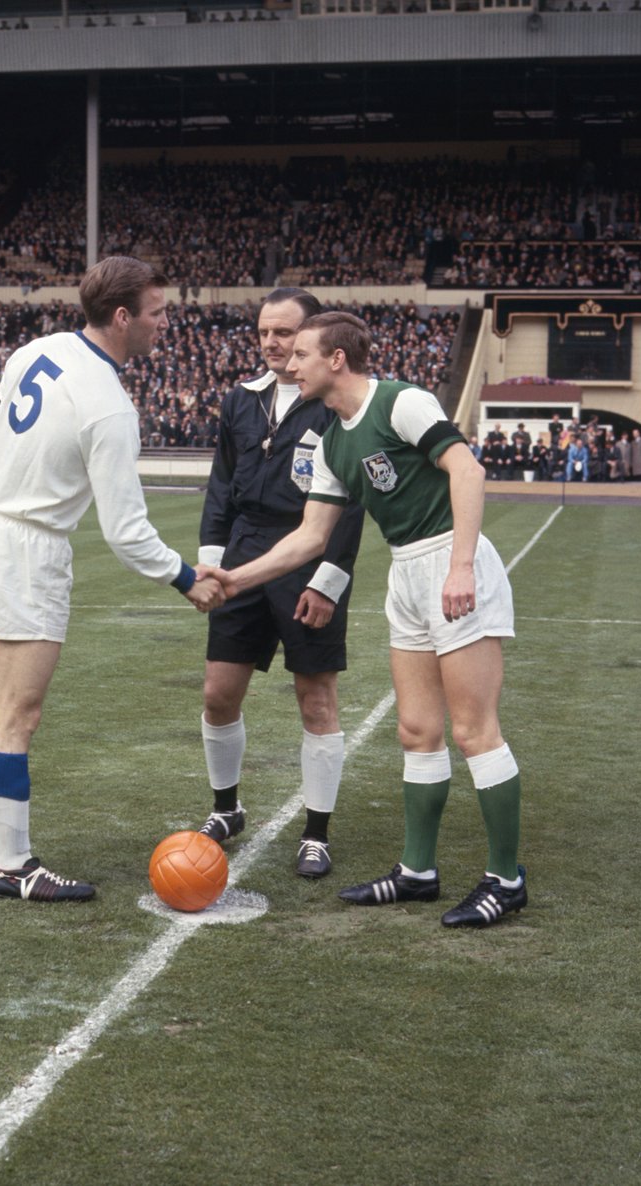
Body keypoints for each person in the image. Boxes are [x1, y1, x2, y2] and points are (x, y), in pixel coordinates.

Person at [207, 312, 528, 928]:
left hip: (449, 560)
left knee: (473, 732)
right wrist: (234, 578)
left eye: (300, 353)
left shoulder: (400, 401)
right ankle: (417, 872)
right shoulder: (331, 440)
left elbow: (468, 469)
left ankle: (507, 879)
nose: (289, 364)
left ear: (336, 360)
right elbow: (310, 537)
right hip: (406, 572)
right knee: (416, 730)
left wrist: (461, 566)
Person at [0, 256, 224, 902]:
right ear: (122, 317)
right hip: (26, 550)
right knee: (19, 710)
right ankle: (11, 867)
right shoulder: (111, 407)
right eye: (157, 312)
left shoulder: (37, 350)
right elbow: (125, 532)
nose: (165, 323)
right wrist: (185, 577)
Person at [196, 288, 364, 879]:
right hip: (243, 553)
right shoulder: (239, 401)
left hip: (306, 556)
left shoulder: (335, 405)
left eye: (285, 333)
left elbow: (349, 505)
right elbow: (220, 487)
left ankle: (316, 833)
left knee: (315, 699)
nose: (271, 342)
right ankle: (226, 808)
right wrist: (211, 562)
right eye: (264, 331)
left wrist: (328, 581)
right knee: (219, 693)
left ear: (313, 337)